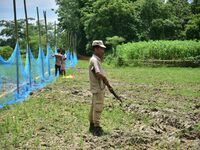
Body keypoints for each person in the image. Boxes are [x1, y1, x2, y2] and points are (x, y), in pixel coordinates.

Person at [88, 40, 114, 136]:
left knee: (94, 106)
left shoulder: (95, 59)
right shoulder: (94, 60)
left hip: (96, 87)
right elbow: (98, 73)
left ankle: (91, 124)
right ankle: (97, 127)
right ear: (96, 49)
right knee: (98, 107)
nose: (103, 51)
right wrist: (105, 79)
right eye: (101, 49)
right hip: (98, 88)